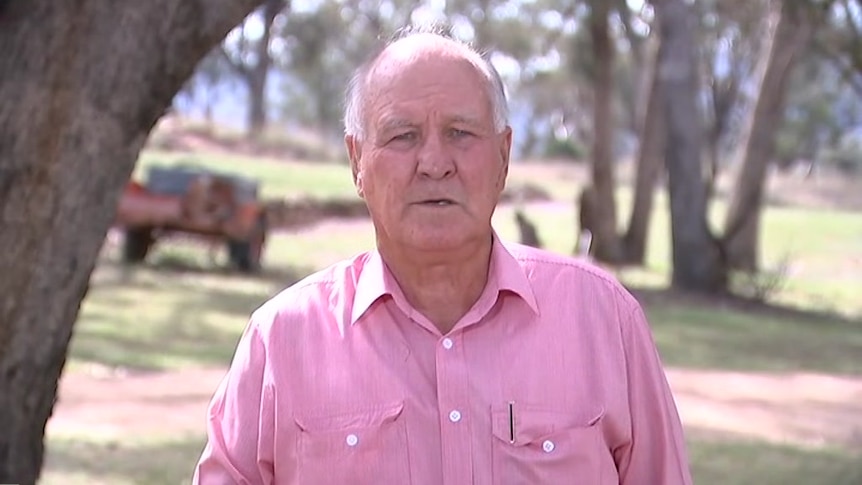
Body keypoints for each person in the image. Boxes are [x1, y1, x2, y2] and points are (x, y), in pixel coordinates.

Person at [193, 26, 693, 485]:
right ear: (356, 163)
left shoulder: (602, 319)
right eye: (402, 136)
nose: (434, 163)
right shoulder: (282, 340)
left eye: (460, 133)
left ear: (503, 155)